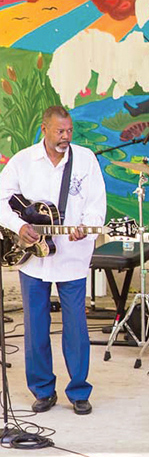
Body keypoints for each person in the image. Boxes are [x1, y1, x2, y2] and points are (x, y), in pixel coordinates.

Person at [0, 106, 106, 415]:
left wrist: (85, 226)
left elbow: (97, 203)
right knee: (35, 326)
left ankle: (79, 391)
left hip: (72, 256)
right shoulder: (23, 161)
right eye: (60, 131)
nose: (65, 137)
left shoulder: (85, 160)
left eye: (69, 131)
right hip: (33, 259)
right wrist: (19, 226)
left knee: (76, 326)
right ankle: (43, 390)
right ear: (44, 129)